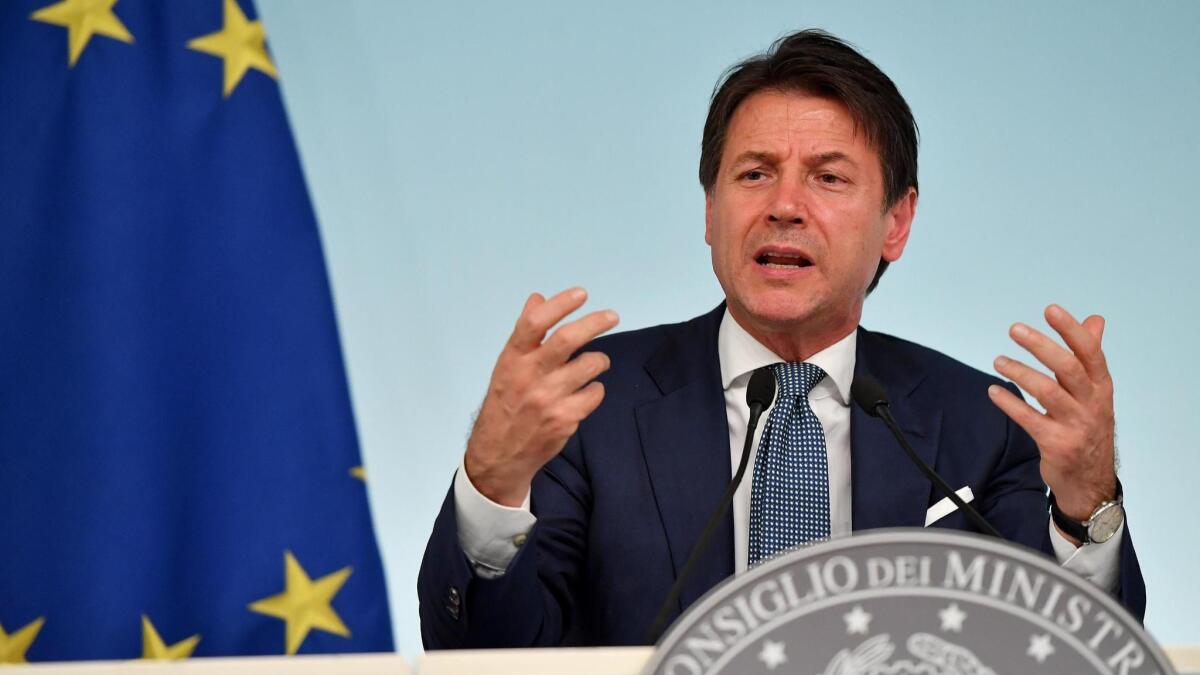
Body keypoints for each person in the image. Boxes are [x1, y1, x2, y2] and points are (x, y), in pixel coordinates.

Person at [417, 29, 1145, 648]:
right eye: (755, 173)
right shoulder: (590, 405)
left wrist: (1087, 506)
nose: (784, 206)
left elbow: (1067, 650)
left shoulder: (979, 422)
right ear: (710, 210)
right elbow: (486, 652)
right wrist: (490, 485)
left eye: (828, 178)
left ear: (896, 222)